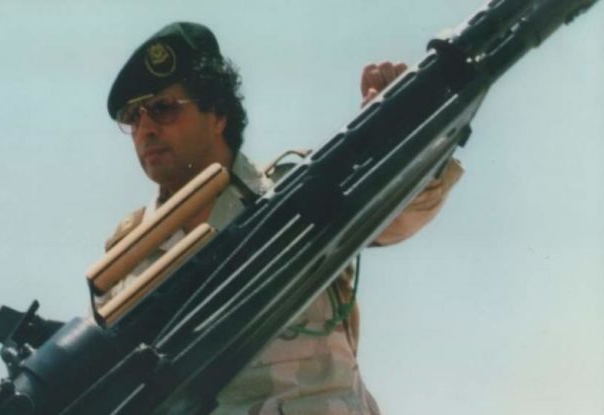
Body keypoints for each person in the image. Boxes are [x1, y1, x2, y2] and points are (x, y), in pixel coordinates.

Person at [96, 22, 463, 415]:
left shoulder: (297, 190)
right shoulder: (125, 260)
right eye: (133, 117)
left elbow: (404, 209)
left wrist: (406, 133)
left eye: (163, 109)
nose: (145, 129)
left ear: (217, 113)